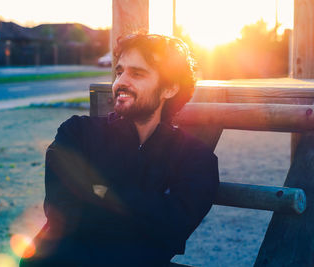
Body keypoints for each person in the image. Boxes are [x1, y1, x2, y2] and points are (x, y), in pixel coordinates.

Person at [20, 34, 219, 267]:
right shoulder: (77, 133)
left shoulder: (196, 159)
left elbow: (172, 231)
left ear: (170, 88)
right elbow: (62, 215)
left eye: (137, 73)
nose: (120, 82)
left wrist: (104, 192)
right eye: (119, 72)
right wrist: (145, 209)